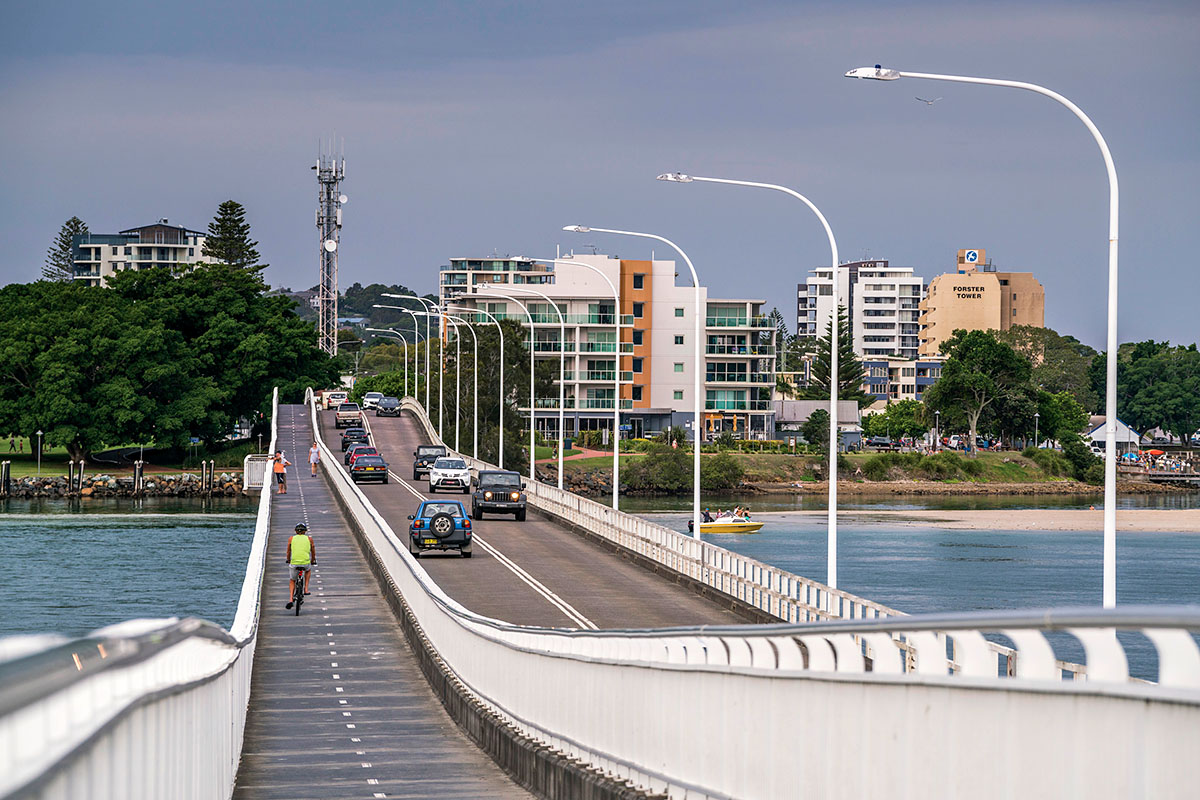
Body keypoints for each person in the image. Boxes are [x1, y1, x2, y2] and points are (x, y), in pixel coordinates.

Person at [285, 522, 316, 609]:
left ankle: (291, 599)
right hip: (305, 562)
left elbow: (288, 551)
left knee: (292, 580)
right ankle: (306, 589)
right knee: (308, 570)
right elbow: (313, 550)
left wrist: (288, 559)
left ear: (296, 531)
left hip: (294, 562)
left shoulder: (291, 539)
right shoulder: (309, 539)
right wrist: (313, 560)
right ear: (305, 531)